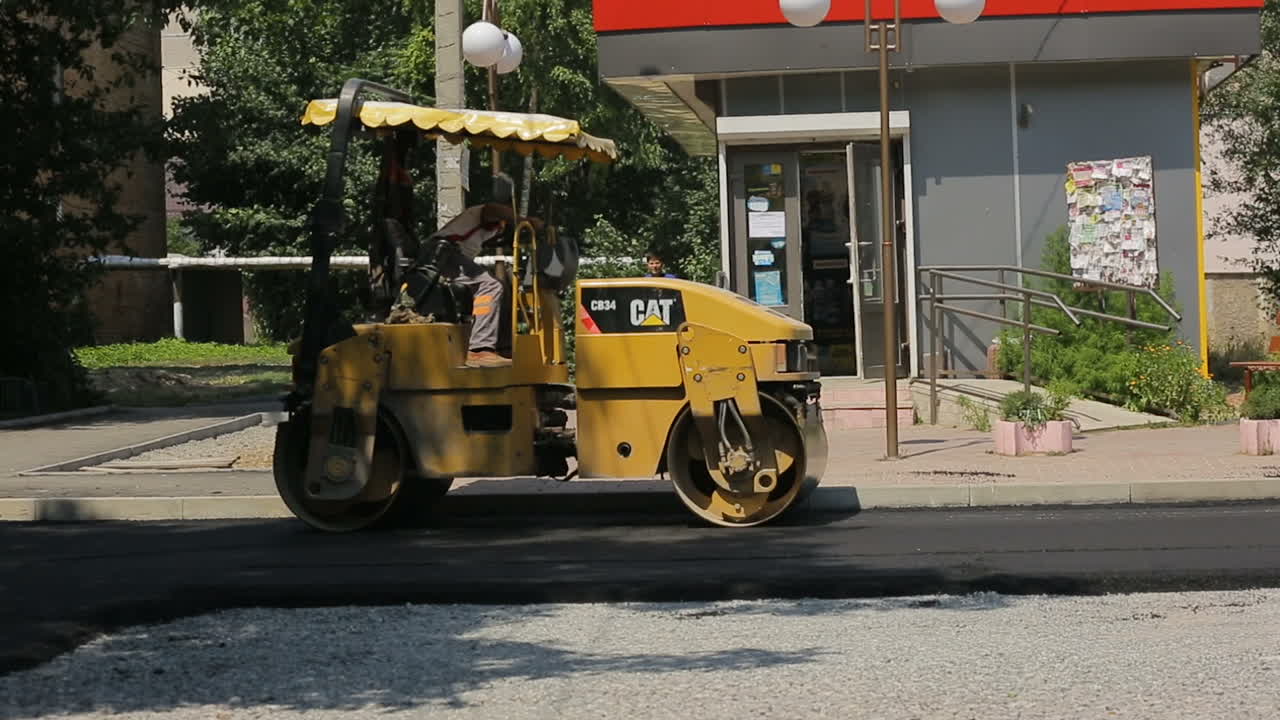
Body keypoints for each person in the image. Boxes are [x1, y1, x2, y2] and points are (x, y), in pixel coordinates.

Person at [428, 187, 542, 368]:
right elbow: (493, 210)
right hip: (442, 254)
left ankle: (501, 347)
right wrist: (524, 220)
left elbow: (496, 237)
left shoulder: (490, 228)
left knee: (501, 289)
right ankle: (480, 349)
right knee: (491, 286)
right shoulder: (484, 212)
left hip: (448, 256)